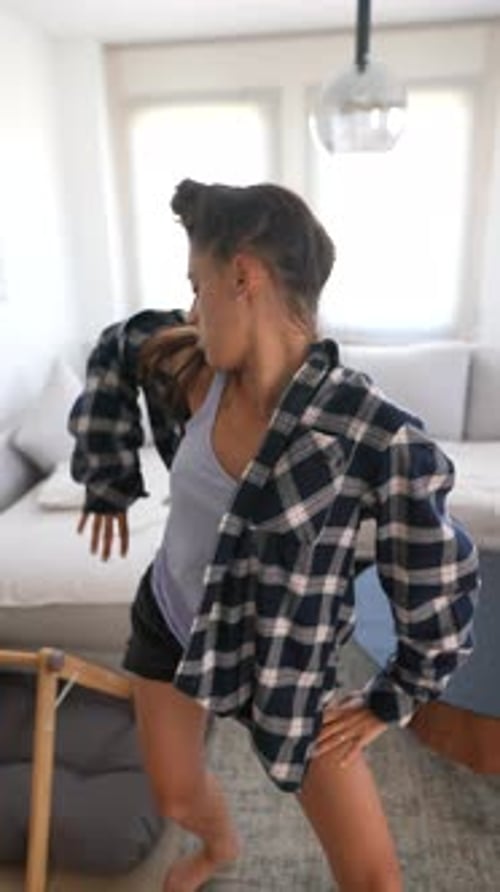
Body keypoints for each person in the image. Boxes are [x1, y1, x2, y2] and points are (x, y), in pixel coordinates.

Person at [69, 178, 479, 892]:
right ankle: (220, 845)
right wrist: (107, 477)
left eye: (198, 286)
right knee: (171, 796)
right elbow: (116, 346)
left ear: (242, 275)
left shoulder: (369, 434)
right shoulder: (196, 367)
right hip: (169, 617)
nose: (193, 309)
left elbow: (439, 578)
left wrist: (396, 694)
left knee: (373, 877)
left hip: (282, 653)